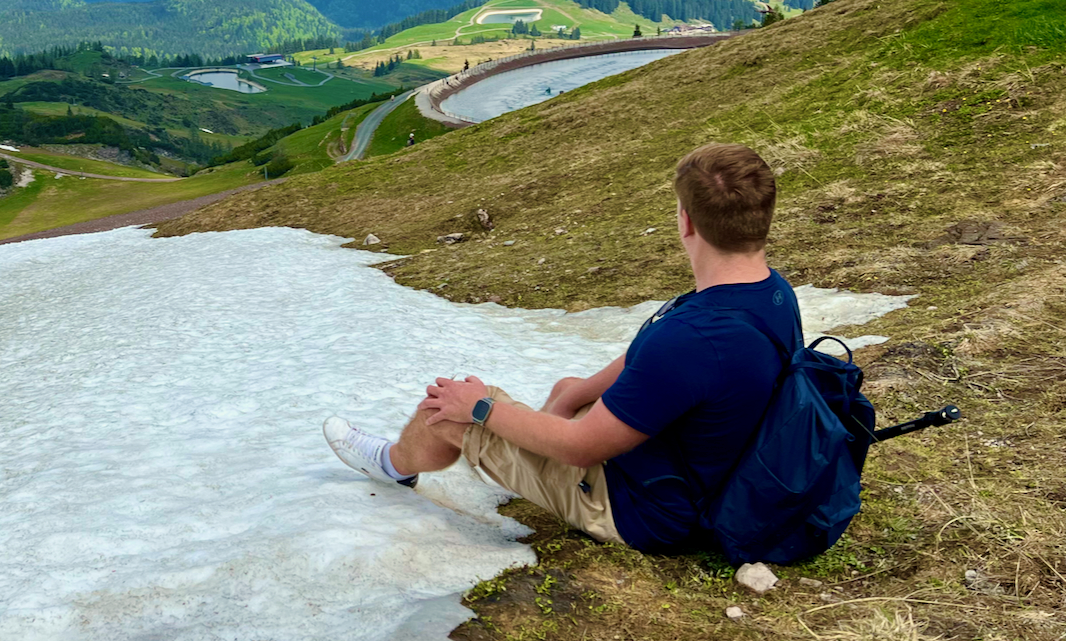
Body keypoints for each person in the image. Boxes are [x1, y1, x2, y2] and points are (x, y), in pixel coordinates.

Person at [323, 143, 799, 552]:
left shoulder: (694, 338)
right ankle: (521, 458)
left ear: (687, 223)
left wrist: (482, 409)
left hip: (645, 513)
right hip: (705, 472)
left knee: (446, 411)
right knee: (570, 387)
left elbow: (581, 447)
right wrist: (572, 396)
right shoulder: (770, 292)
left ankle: (391, 465)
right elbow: (657, 360)